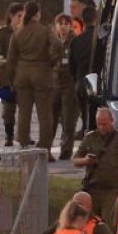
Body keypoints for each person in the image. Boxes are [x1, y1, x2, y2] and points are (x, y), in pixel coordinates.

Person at [3, 1, 60, 155]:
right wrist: (51, 60)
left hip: (22, 75)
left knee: (24, 114)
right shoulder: (45, 30)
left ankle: (23, 146)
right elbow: (57, 45)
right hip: (41, 73)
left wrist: (10, 80)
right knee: (45, 115)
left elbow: (11, 59)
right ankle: (45, 149)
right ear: (38, 14)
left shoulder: (18, 32)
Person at [74, 108, 118, 228]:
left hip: (113, 190)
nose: (101, 127)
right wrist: (86, 160)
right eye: (99, 123)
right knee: (88, 224)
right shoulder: (90, 138)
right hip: (92, 189)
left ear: (112, 121)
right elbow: (75, 160)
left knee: (109, 224)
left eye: (104, 124)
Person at [0, 2, 25, 147]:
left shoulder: (25, 31)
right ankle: (9, 135)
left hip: (23, 74)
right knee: (8, 109)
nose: (21, 19)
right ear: (11, 16)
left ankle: (23, 135)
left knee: (25, 107)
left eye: (23, 16)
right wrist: (1, 62)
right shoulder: (4, 33)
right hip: (6, 76)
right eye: (19, 16)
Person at [69, 5, 100, 133]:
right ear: (96, 18)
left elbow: (72, 65)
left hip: (81, 82)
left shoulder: (76, 41)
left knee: (84, 110)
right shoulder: (101, 39)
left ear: (83, 20)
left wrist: (76, 79)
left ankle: (85, 129)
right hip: (97, 82)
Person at [51, 13, 78, 160]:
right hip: (55, 83)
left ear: (70, 25)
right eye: (60, 24)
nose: (63, 27)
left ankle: (66, 150)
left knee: (68, 119)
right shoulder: (53, 41)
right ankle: (47, 148)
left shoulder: (75, 41)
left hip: (69, 84)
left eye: (66, 24)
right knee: (51, 117)